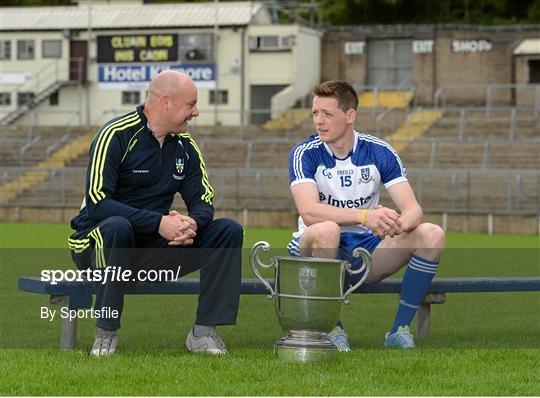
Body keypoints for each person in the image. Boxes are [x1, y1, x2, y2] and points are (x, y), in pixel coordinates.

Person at [68, 70, 243, 356]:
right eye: (191, 104)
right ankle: (106, 332)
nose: (196, 112)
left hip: (150, 251)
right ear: (165, 101)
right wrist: (159, 222)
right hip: (98, 246)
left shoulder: (186, 147)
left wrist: (190, 224)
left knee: (228, 230)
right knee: (117, 226)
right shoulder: (116, 135)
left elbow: (204, 202)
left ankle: (203, 332)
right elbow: (98, 202)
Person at [287, 80, 445, 350]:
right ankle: (330, 328)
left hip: (367, 250)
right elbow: (309, 211)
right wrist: (364, 217)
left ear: (350, 116)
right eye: (315, 113)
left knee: (432, 234)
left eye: (327, 114)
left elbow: (413, 209)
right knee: (327, 230)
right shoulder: (305, 153)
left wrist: (396, 224)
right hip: (315, 246)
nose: (319, 121)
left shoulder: (379, 151)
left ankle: (398, 330)